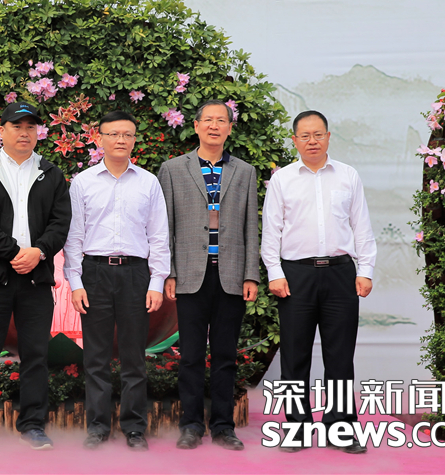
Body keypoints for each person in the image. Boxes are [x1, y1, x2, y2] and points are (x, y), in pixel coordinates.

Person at [260, 110, 376, 455]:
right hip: (296, 275)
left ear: (328, 137)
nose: (312, 141)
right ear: (294, 140)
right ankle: (296, 428)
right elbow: (271, 231)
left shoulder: (348, 175)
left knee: (340, 356)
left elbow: (361, 225)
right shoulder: (282, 179)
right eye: (305, 136)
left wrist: (365, 269)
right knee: (294, 356)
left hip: (340, 273)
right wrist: (275, 272)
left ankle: (340, 428)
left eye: (318, 134)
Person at [0, 102, 71, 451]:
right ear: (2, 130)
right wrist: (13, 253)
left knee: (36, 354)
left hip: (36, 278)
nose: (24, 133)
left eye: (30, 127)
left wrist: (38, 252)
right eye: (17, 126)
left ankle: (33, 425)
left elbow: (60, 223)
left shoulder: (51, 173)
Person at [63, 110, 170, 451]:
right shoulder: (83, 182)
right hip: (94, 272)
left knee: (134, 356)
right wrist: (75, 282)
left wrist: (156, 282)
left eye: (127, 134)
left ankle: (134, 428)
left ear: (134, 140)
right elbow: (74, 236)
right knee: (95, 356)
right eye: (113, 134)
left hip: (135, 274)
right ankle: (97, 427)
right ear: (100, 139)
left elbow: (159, 235)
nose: (120, 140)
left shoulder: (148, 182)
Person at [157, 100, 260, 451]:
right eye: (208, 120)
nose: (215, 126)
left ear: (230, 128)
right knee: (190, 355)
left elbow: (250, 226)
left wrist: (250, 274)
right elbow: (164, 227)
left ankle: (223, 427)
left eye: (221, 120)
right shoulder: (173, 169)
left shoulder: (245, 172)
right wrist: (168, 273)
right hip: (189, 274)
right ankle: (190, 425)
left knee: (226, 355)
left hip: (230, 274)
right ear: (196, 126)